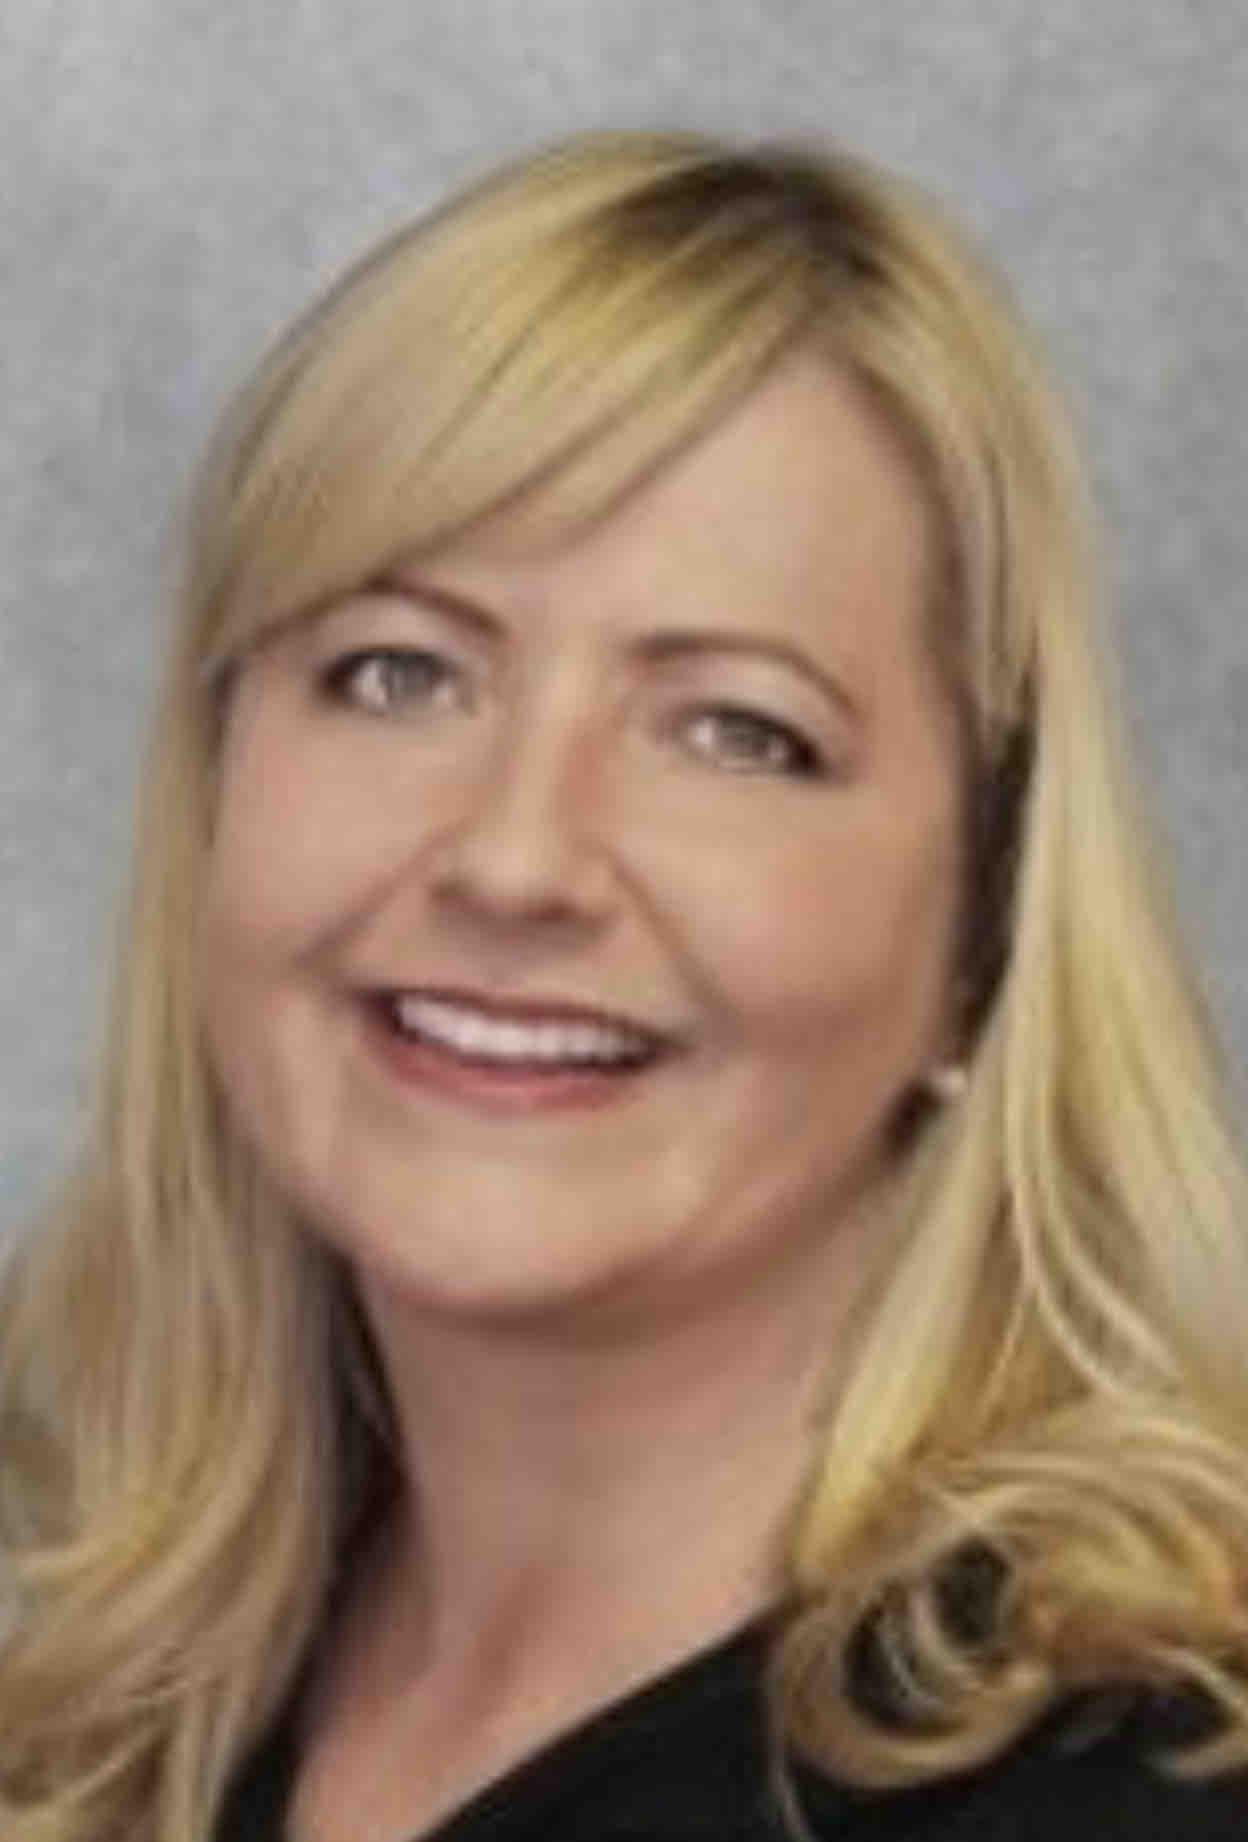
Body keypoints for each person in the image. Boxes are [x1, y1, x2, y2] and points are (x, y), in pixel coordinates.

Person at [2, 129, 1248, 1842]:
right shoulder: (114, 1708)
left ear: (982, 937)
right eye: (399, 672)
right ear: (218, 787)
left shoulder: (1136, 1798)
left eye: (734, 730)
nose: (515, 859)